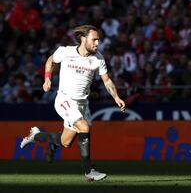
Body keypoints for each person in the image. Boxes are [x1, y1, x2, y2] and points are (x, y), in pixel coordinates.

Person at [20, 25, 126, 181]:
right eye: (94, 40)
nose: (97, 43)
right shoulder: (65, 51)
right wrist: (47, 78)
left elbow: (107, 80)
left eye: (98, 40)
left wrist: (116, 97)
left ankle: (36, 136)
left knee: (65, 142)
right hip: (64, 99)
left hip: (81, 104)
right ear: (83, 39)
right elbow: (50, 61)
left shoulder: (98, 58)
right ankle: (89, 171)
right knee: (84, 127)